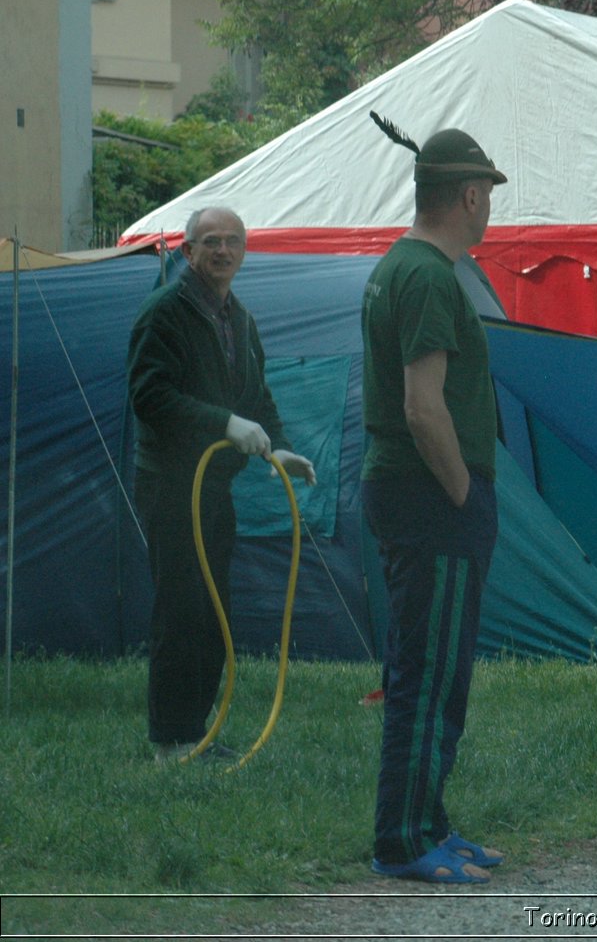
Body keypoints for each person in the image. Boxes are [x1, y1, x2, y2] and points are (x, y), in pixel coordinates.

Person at [362, 127, 506, 884]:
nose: (489, 214)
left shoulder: (404, 267)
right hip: (430, 498)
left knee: (430, 667)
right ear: (471, 196)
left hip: (412, 494)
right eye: (489, 199)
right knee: (428, 673)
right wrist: (461, 494)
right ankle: (404, 841)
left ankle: (428, 822)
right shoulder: (427, 277)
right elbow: (424, 407)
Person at [127, 206, 316, 762]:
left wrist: (274, 445)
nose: (223, 251)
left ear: (244, 250)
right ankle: (170, 740)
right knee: (180, 608)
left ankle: (196, 732)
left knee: (211, 609)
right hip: (171, 484)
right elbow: (150, 397)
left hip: (214, 486)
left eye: (233, 241)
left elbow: (256, 397)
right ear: (187, 251)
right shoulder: (165, 312)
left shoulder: (240, 318)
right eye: (211, 242)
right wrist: (223, 424)